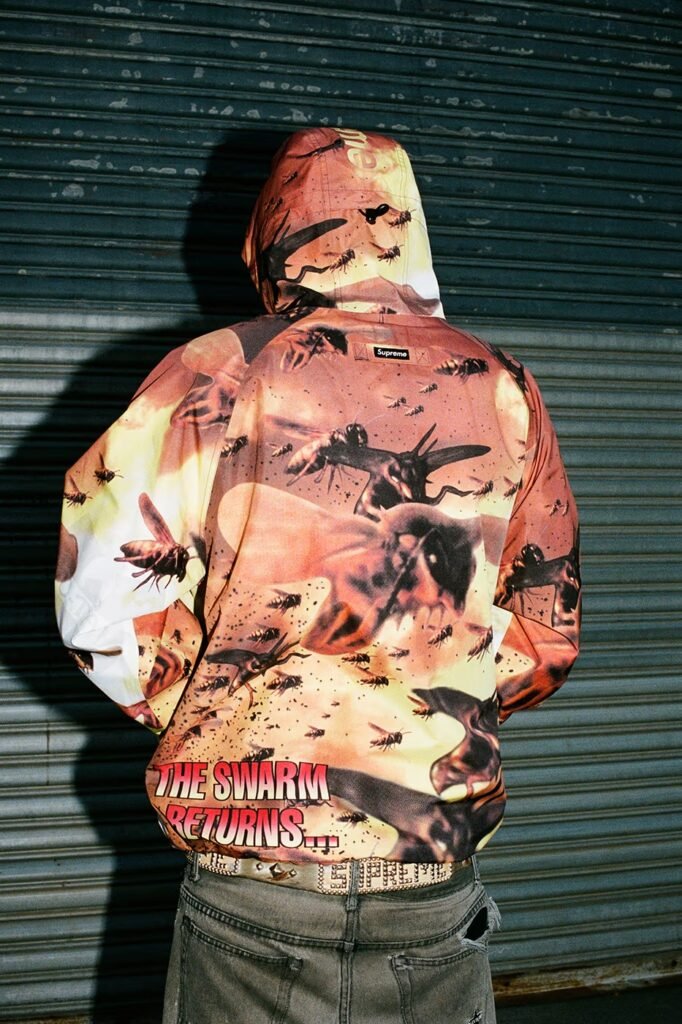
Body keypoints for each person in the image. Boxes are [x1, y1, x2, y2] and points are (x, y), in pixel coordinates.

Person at [56, 127, 581, 1024]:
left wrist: (217, 699)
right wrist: (430, 694)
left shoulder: (215, 372)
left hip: (255, 873)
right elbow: (546, 631)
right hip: (430, 872)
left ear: (273, 233)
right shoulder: (505, 387)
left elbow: (99, 609)